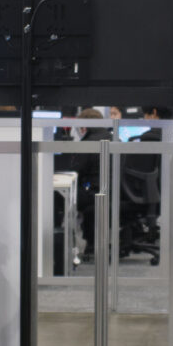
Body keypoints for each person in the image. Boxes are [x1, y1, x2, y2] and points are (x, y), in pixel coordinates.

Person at [55, 107, 112, 253]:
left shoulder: (89, 143)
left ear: (85, 126)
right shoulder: (113, 137)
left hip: (93, 192)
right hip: (112, 191)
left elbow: (76, 169)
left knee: (56, 196)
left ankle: (56, 239)